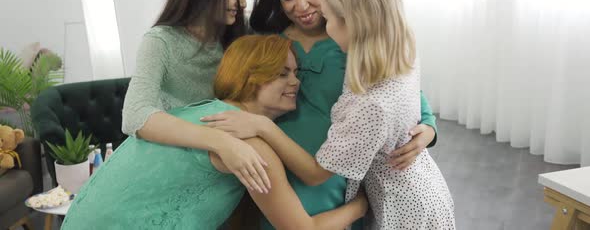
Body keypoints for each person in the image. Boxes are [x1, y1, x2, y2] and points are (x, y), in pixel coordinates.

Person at [203, 0, 439, 228]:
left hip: (337, 176)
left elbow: (405, 94)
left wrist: (427, 129)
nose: (301, 5)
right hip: (282, 171)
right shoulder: (269, 43)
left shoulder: (357, 43)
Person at [61, 35, 368, 230]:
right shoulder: (250, 144)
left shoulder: (196, 112)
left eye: (296, 73)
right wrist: (361, 205)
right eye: (282, 73)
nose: (296, 82)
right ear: (250, 77)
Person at [120, 0, 270, 193]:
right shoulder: (160, 42)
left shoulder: (243, 33)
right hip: (182, 172)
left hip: (236, 172)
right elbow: (134, 115)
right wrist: (220, 142)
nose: (243, 2)